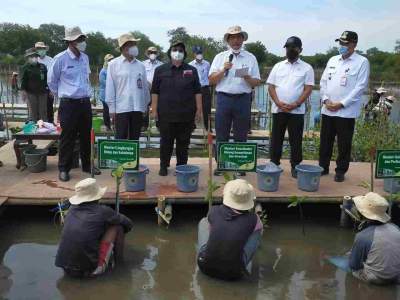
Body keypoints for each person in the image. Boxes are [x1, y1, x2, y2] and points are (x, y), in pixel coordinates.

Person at [48, 26, 101, 182]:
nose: (82, 42)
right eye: (79, 39)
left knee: (86, 136)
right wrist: (64, 95)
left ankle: (87, 165)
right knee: (67, 137)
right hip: (68, 104)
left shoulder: (85, 58)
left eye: (82, 39)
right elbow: (52, 82)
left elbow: (86, 79)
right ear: (70, 41)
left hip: (85, 103)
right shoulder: (60, 58)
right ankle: (64, 168)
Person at [209, 26, 261, 176]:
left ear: (243, 39)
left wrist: (247, 77)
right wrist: (223, 70)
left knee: (241, 133)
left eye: (239, 37)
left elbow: (257, 82)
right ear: (228, 40)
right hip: (223, 98)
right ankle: (222, 164)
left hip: (243, 99)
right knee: (221, 132)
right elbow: (211, 80)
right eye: (233, 37)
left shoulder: (251, 58)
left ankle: (240, 165)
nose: (236, 40)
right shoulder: (220, 57)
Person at [55, 178, 133, 278]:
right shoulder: (103, 211)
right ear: (97, 197)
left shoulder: (71, 209)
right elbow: (128, 224)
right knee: (118, 227)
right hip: (89, 271)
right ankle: (119, 266)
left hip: (65, 268)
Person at [319, 31, 370, 182]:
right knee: (325, 141)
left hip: (346, 112)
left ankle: (340, 171)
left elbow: (360, 87)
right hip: (328, 109)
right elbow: (323, 82)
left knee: (344, 143)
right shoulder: (333, 60)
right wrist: (326, 100)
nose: (341, 46)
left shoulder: (362, 62)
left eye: (345, 43)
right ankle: (323, 167)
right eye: (340, 43)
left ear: (353, 44)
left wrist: (342, 103)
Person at [151, 40, 202, 176]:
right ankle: (164, 166)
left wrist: (199, 109)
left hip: (186, 114)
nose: (177, 52)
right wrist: (154, 110)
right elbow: (155, 91)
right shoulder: (160, 70)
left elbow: (197, 91)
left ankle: (181, 167)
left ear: (184, 53)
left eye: (180, 50)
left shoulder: (192, 70)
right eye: (175, 50)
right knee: (165, 142)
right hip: (165, 114)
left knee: (183, 144)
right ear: (170, 52)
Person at [267, 36, 314, 178]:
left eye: (293, 47)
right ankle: (274, 163)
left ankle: (295, 166)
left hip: (297, 111)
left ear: (300, 50)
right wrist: (277, 102)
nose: (290, 50)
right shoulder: (278, 66)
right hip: (278, 109)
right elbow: (270, 86)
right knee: (276, 139)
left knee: (296, 140)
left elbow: (308, 89)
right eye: (287, 47)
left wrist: (296, 104)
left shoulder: (307, 68)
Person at [197, 179, 263, 280]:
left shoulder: (213, 211)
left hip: (204, 267)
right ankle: (243, 264)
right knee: (258, 229)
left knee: (203, 222)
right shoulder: (255, 219)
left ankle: (208, 254)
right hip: (234, 274)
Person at [328, 192, 400, 285]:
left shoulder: (363, 236)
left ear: (363, 214)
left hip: (376, 278)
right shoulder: (395, 228)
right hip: (397, 276)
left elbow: (354, 265)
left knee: (346, 264)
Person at [106, 33, 150, 140]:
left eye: (135, 44)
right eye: (131, 44)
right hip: (121, 109)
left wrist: (145, 106)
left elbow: (144, 87)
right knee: (121, 138)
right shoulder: (113, 64)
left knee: (135, 138)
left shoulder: (141, 65)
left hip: (137, 108)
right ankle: (119, 157)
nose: (134, 47)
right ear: (123, 48)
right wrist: (112, 109)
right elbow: (110, 88)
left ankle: (133, 158)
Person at [21, 48, 48, 122]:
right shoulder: (25, 67)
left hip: (43, 93)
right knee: (33, 112)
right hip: (31, 93)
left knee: (43, 111)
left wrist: (49, 90)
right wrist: (23, 92)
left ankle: (44, 128)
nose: (34, 58)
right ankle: (33, 129)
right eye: (31, 56)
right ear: (27, 58)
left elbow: (46, 79)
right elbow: (23, 81)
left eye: (35, 56)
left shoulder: (43, 66)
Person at [189, 46, 212, 131]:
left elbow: (209, 76)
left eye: (200, 53)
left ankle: (208, 127)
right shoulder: (190, 64)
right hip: (194, 90)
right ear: (194, 54)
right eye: (197, 53)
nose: (199, 55)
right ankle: (192, 125)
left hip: (205, 88)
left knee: (207, 109)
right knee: (192, 108)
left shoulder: (207, 64)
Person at [143, 46, 163, 130]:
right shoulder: (142, 64)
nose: (152, 54)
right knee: (145, 107)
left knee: (158, 107)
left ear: (156, 54)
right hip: (145, 89)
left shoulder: (161, 64)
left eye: (154, 52)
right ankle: (144, 125)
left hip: (157, 89)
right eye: (151, 52)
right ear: (148, 54)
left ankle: (159, 125)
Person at [35, 42, 55, 123]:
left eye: (42, 48)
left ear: (45, 49)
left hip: (48, 88)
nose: (41, 50)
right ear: (36, 50)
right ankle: (37, 127)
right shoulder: (33, 60)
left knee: (49, 108)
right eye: (39, 49)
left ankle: (50, 124)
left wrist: (52, 89)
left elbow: (53, 76)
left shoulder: (51, 60)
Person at [98, 54, 114, 130]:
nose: (111, 61)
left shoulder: (114, 69)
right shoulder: (103, 71)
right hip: (104, 94)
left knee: (114, 110)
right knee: (106, 110)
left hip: (113, 94)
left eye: (112, 60)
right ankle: (107, 125)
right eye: (109, 60)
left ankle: (114, 125)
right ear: (106, 61)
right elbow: (103, 82)